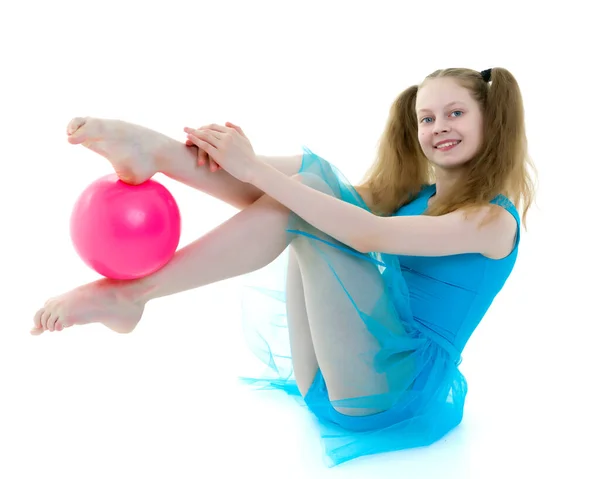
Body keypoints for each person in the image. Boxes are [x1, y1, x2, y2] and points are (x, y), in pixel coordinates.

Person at [31, 67, 536, 467]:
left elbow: (366, 233)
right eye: (426, 118)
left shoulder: (491, 221)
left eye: (455, 113)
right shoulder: (416, 197)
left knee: (313, 195)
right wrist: (238, 163)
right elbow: (282, 196)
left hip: (390, 392)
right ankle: (156, 155)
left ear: (491, 121)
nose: (438, 127)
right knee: (311, 189)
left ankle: (134, 292)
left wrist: (253, 166)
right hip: (332, 376)